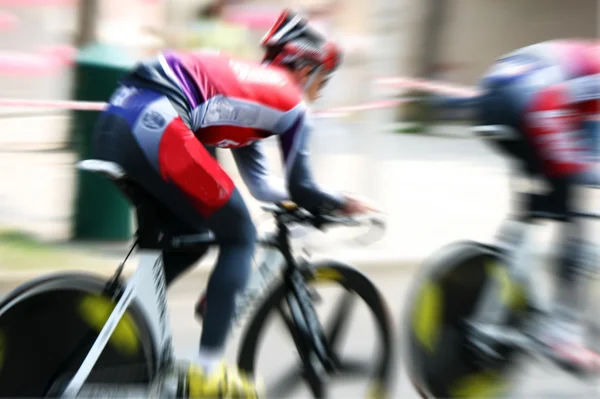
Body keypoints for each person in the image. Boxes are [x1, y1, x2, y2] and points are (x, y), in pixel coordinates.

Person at [90, 8, 373, 398]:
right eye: (323, 80)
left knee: (196, 233)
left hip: (117, 122)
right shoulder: (291, 101)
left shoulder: (250, 90)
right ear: (306, 69)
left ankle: (115, 316)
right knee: (239, 234)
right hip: (156, 122)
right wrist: (343, 203)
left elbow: (261, 185)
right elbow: (303, 187)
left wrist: (299, 204)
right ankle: (209, 371)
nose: (320, 91)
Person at [472, 39, 599, 372]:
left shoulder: (583, 53)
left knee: (537, 199)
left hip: (491, 97)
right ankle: (562, 333)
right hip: (536, 99)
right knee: (573, 203)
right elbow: (582, 137)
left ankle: (505, 259)